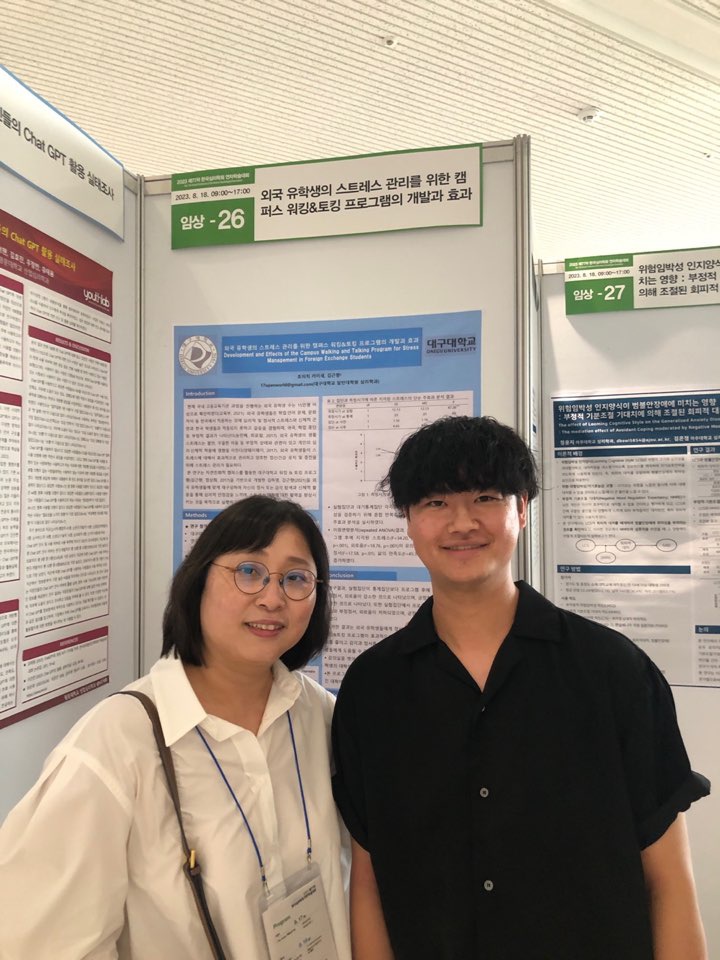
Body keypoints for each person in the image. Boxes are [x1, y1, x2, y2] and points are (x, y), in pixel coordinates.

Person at [331, 415, 710, 960]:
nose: (462, 522)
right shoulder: (373, 688)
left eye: (485, 497)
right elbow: (368, 882)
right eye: (436, 502)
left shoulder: (612, 670)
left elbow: (669, 880)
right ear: (409, 521)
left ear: (523, 509)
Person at [0, 496, 351, 960]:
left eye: (296, 578)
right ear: (198, 580)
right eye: (249, 571)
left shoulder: (320, 716)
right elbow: (40, 944)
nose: (272, 598)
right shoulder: (115, 743)